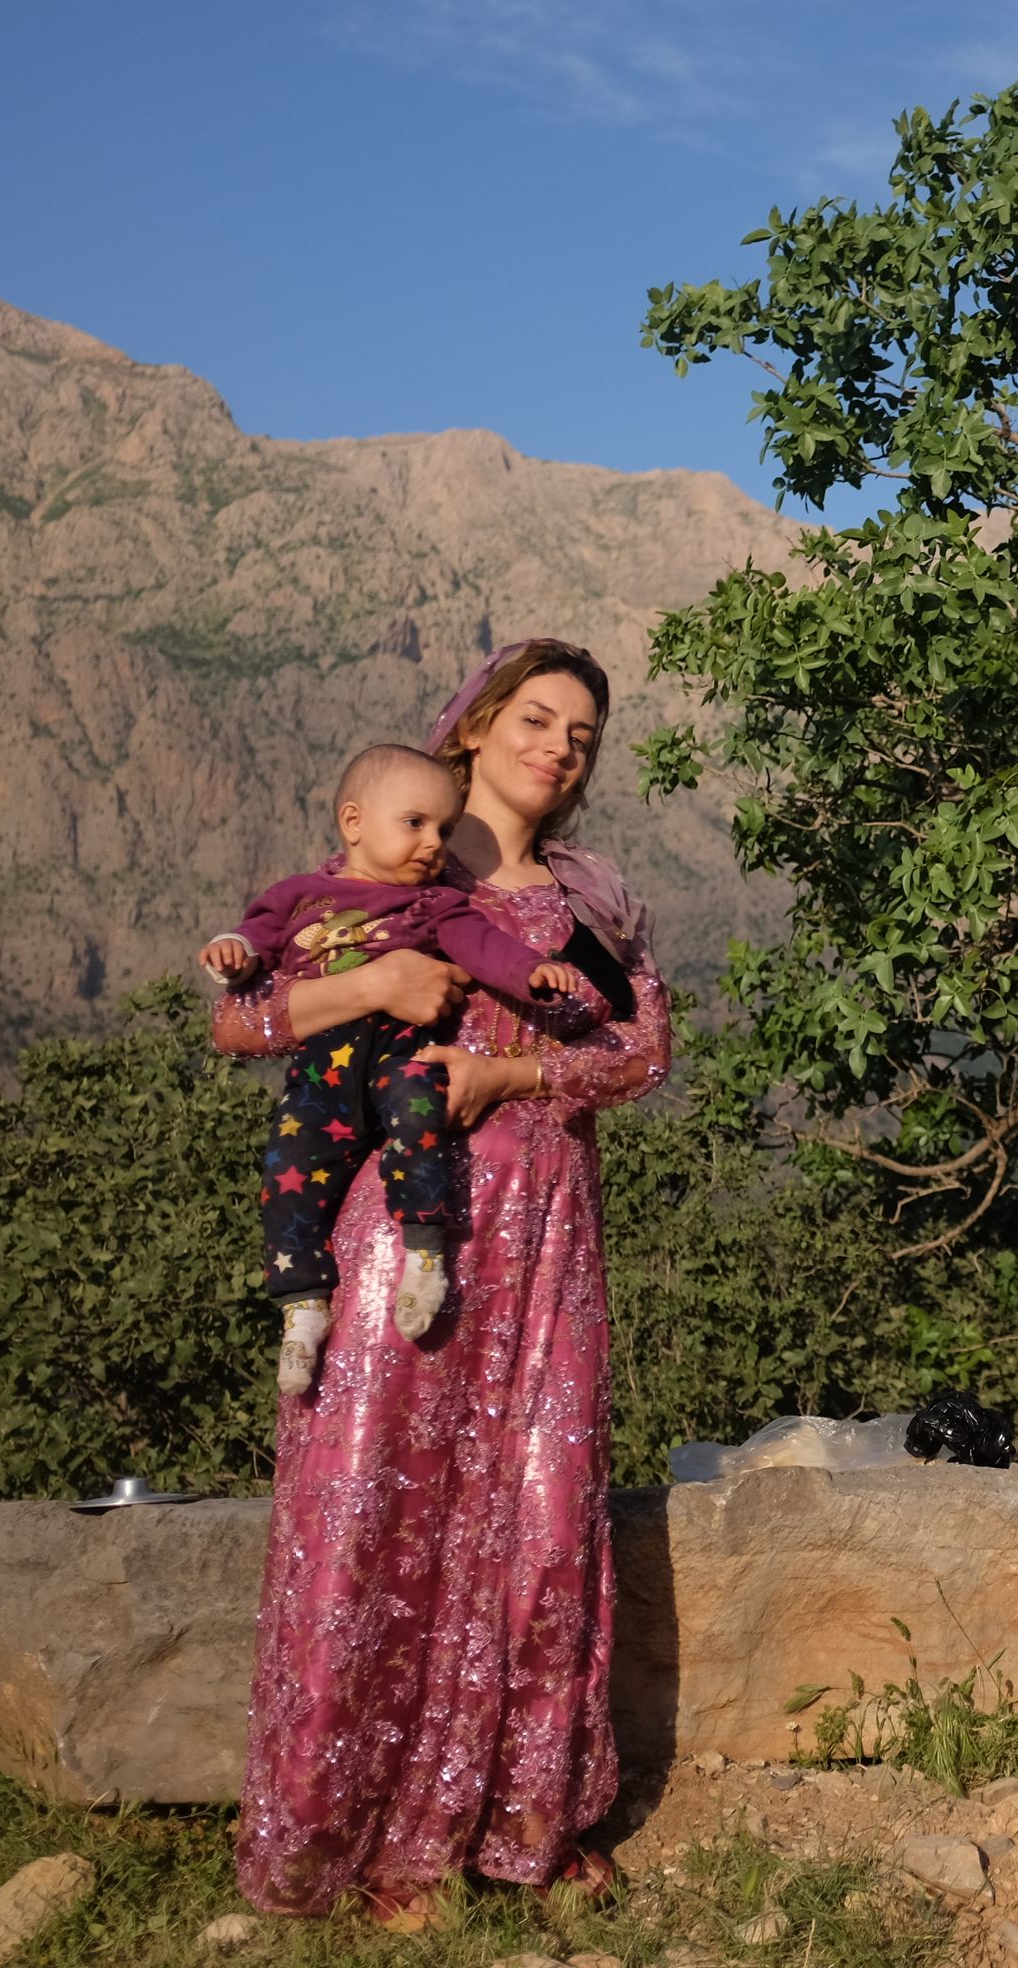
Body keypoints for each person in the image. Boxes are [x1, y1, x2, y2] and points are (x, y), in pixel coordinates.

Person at [215, 640, 670, 1923]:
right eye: (537, 717)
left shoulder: (593, 896)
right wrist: (369, 984)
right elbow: (239, 1025)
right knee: (373, 1509)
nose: (558, 746)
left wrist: (514, 1077)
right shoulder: (393, 864)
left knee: (543, 1508)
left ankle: (522, 1819)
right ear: (475, 722)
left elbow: (645, 1050)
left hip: (549, 1229)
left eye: (582, 732)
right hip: (401, 1220)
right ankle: (363, 1840)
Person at [200, 742, 600, 1394]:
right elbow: (257, 946)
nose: (432, 843)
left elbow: (486, 949)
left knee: (420, 1115)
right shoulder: (301, 895)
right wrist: (234, 953)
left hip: (398, 1052)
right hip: (323, 1069)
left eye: (442, 830)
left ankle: (424, 1252)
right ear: (354, 822)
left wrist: (533, 974)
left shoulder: (437, 907)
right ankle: (301, 1303)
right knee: (289, 1172)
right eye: (414, 823)